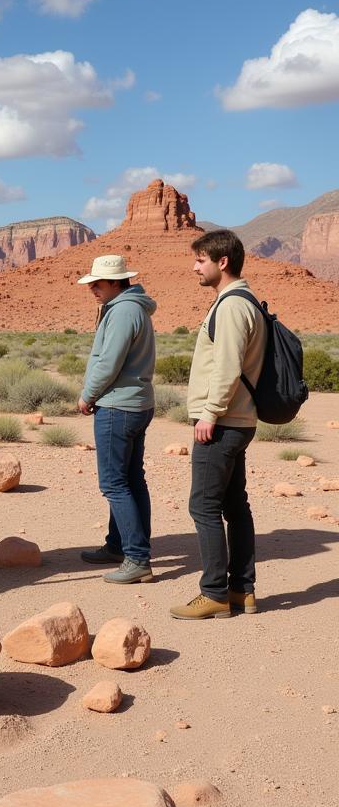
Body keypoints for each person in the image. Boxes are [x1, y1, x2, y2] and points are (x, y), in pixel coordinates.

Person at [171, 230, 266, 621]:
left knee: (204, 506)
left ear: (221, 261)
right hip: (239, 420)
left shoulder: (230, 307)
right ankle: (242, 591)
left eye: (200, 260)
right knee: (234, 505)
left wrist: (210, 412)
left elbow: (227, 366)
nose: (195, 267)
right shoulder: (246, 301)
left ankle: (213, 594)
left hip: (223, 421)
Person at [75, 255, 158, 584]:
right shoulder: (131, 307)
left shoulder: (123, 310)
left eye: (98, 282)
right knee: (131, 479)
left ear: (116, 282)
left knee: (114, 483)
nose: (92, 288)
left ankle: (137, 558)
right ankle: (117, 546)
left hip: (118, 408)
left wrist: (88, 395)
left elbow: (109, 362)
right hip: (135, 405)